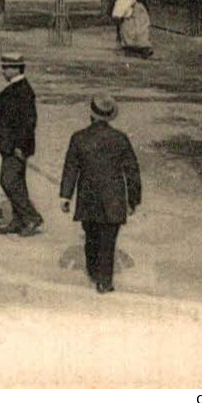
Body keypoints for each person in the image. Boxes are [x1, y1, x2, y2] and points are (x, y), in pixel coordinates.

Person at [60, 95, 142, 293]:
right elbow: (132, 171)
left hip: (88, 197)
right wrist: (133, 200)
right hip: (114, 198)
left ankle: (93, 271)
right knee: (108, 240)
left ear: (90, 114)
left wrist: (65, 196)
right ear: (110, 117)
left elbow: (71, 168)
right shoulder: (120, 139)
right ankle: (105, 281)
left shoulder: (78, 137)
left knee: (91, 235)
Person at [0, 53, 42, 236]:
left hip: (15, 147)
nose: (3, 71)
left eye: (6, 67)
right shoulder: (17, 88)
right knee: (17, 182)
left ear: (16, 69)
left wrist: (20, 146)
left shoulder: (22, 91)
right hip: (9, 146)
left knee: (8, 181)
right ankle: (18, 219)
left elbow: (28, 123)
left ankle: (31, 217)